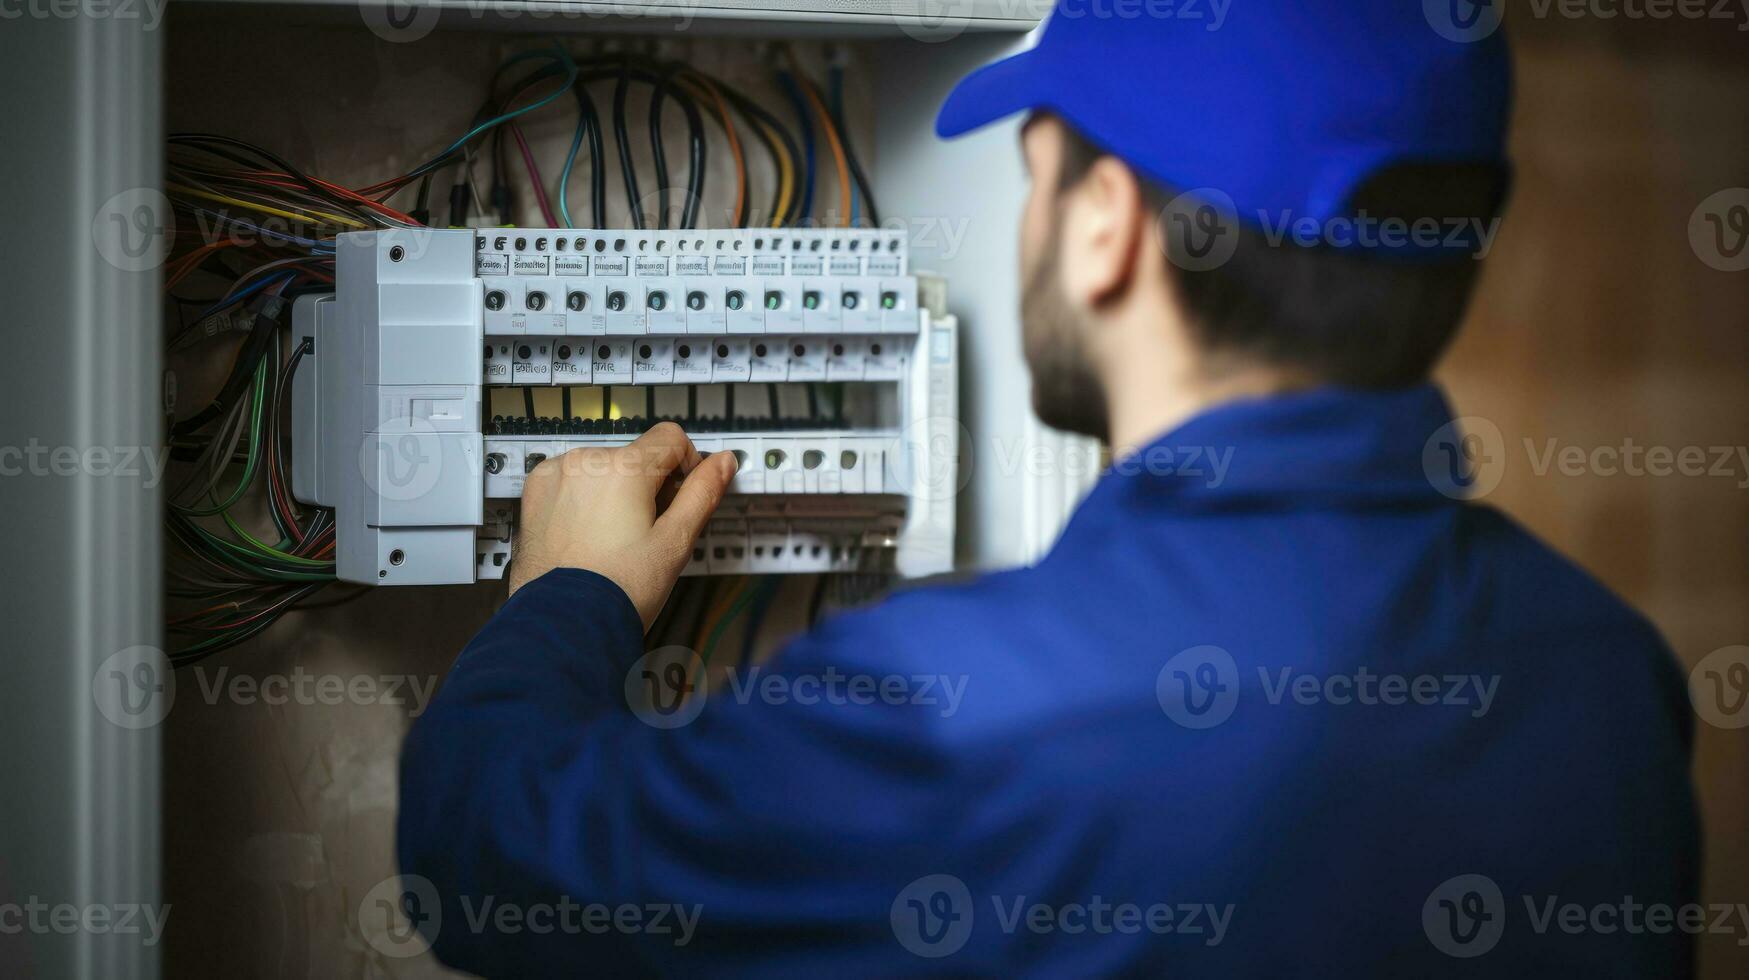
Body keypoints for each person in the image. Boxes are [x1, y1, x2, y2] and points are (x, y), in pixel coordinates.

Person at [397, 2, 1699, 974]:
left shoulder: (946, 714)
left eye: (1032, 177)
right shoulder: (1606, 673)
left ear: (1105, 225)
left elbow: (480, 858)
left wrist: (567, 591)